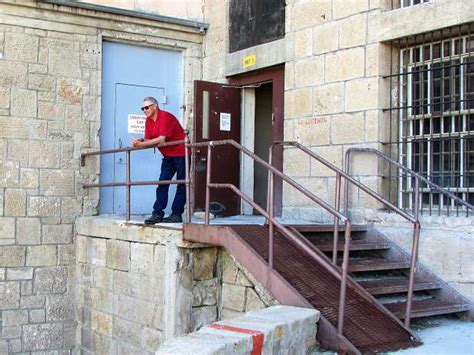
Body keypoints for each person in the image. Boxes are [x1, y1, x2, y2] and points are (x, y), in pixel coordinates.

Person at [131, 97, 186, 224]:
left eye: (147, 107)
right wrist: (140, 141)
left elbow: (161, 140)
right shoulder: (148, 121)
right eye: (142, 108)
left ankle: (177, 214)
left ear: (155, 106)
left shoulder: (165, 116)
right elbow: (149, 139)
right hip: (168, 155)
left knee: (182, 183)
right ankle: (157, 214)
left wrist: (142, 145)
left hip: (181, 153)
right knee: (162, 182)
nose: (144, 110)